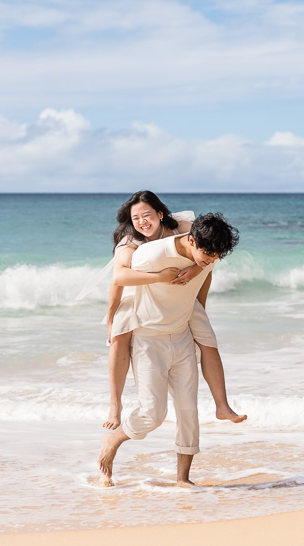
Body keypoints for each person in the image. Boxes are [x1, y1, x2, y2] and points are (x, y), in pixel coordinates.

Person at [97, 213, 240, 487]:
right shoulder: (152, 255)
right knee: (153, 414)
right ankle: (114, 439)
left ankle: (182, 478)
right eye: (207, 254)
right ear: (190, 239)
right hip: (149, 342)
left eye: (216, 256)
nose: (211, 259)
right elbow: (119, 279)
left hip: (183, 337)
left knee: (189, 411)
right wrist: (112, 317)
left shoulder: (207, 256)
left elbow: (206, 274)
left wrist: (199, 276)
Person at [103, 191, 245, 429]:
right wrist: (111, 315)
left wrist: (196, 271)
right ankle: (115, 406)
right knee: (118, 336)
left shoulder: (182, 227)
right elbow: (118, 278)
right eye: (135, 218)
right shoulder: (130, 242)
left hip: (182, 292)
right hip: (135, 290)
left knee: (208, 338)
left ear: (160, 214)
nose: (141, 222)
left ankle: (222, 405)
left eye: (146, 215)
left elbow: (211, 247)